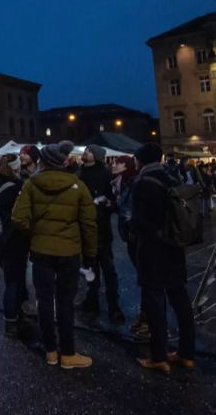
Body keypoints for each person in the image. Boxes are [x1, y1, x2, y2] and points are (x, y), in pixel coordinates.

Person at [12, 140, 97, 369]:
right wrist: (90, 254)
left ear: (44, 162)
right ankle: (68, 354)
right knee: (65, 302)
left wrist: (36, 232)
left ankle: (50, 351)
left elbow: (18, 218)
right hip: (70, 252)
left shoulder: (31, 185)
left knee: (44, 301)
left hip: (41, 251)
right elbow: (89, 224)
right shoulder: (78, 185)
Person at [131, 143, 196, 373]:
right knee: (180, 299)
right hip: (174, 247)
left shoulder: (142, 183)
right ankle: (186, 354)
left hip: (152, 250)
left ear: (141, 161)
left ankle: (159, 357)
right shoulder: (172, 177)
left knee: (155, 302)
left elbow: (140, 222)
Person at [78, 145, 124, 323]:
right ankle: (92, 300)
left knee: (108, 269)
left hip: (101, 228)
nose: (85, 153)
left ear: (96, 156)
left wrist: (106, 204)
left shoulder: (105, 174)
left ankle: (114, 306)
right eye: (86, 150)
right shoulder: (79, 173)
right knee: (90, 268)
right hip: (84, 227)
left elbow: (113, 200)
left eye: (89, 151)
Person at [0, 154, 27, 336]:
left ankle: (17, 311)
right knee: (13, 281)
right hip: (13, 240)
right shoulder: (17, 187)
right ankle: (11, 321)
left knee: (12, 279)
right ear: (14, 167)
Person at [111, 155, 147, 338]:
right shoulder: (121, 182)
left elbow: (133, 210)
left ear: (126, 166)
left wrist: (131, 227)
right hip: (130, 236)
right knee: (143, 277)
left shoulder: (132, 183)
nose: (113, 165)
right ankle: (145, 317)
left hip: (137, 237)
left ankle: (147, 320)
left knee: (146, 279)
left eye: (117, 162)